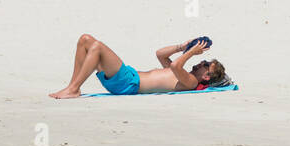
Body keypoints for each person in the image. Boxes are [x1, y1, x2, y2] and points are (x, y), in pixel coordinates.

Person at [50, 35, 227, 99]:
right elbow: (160, 54)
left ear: (206, 77)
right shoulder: (181, 73)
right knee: (85, 40)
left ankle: (74, 89)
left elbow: (174, 65)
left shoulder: (190, 82)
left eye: (206, 65)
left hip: (129, 84)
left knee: (96, 47)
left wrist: (191, 53)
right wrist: (183, 46)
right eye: (204, 61)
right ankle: (72, 87)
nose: (202, 63)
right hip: (128, 77)